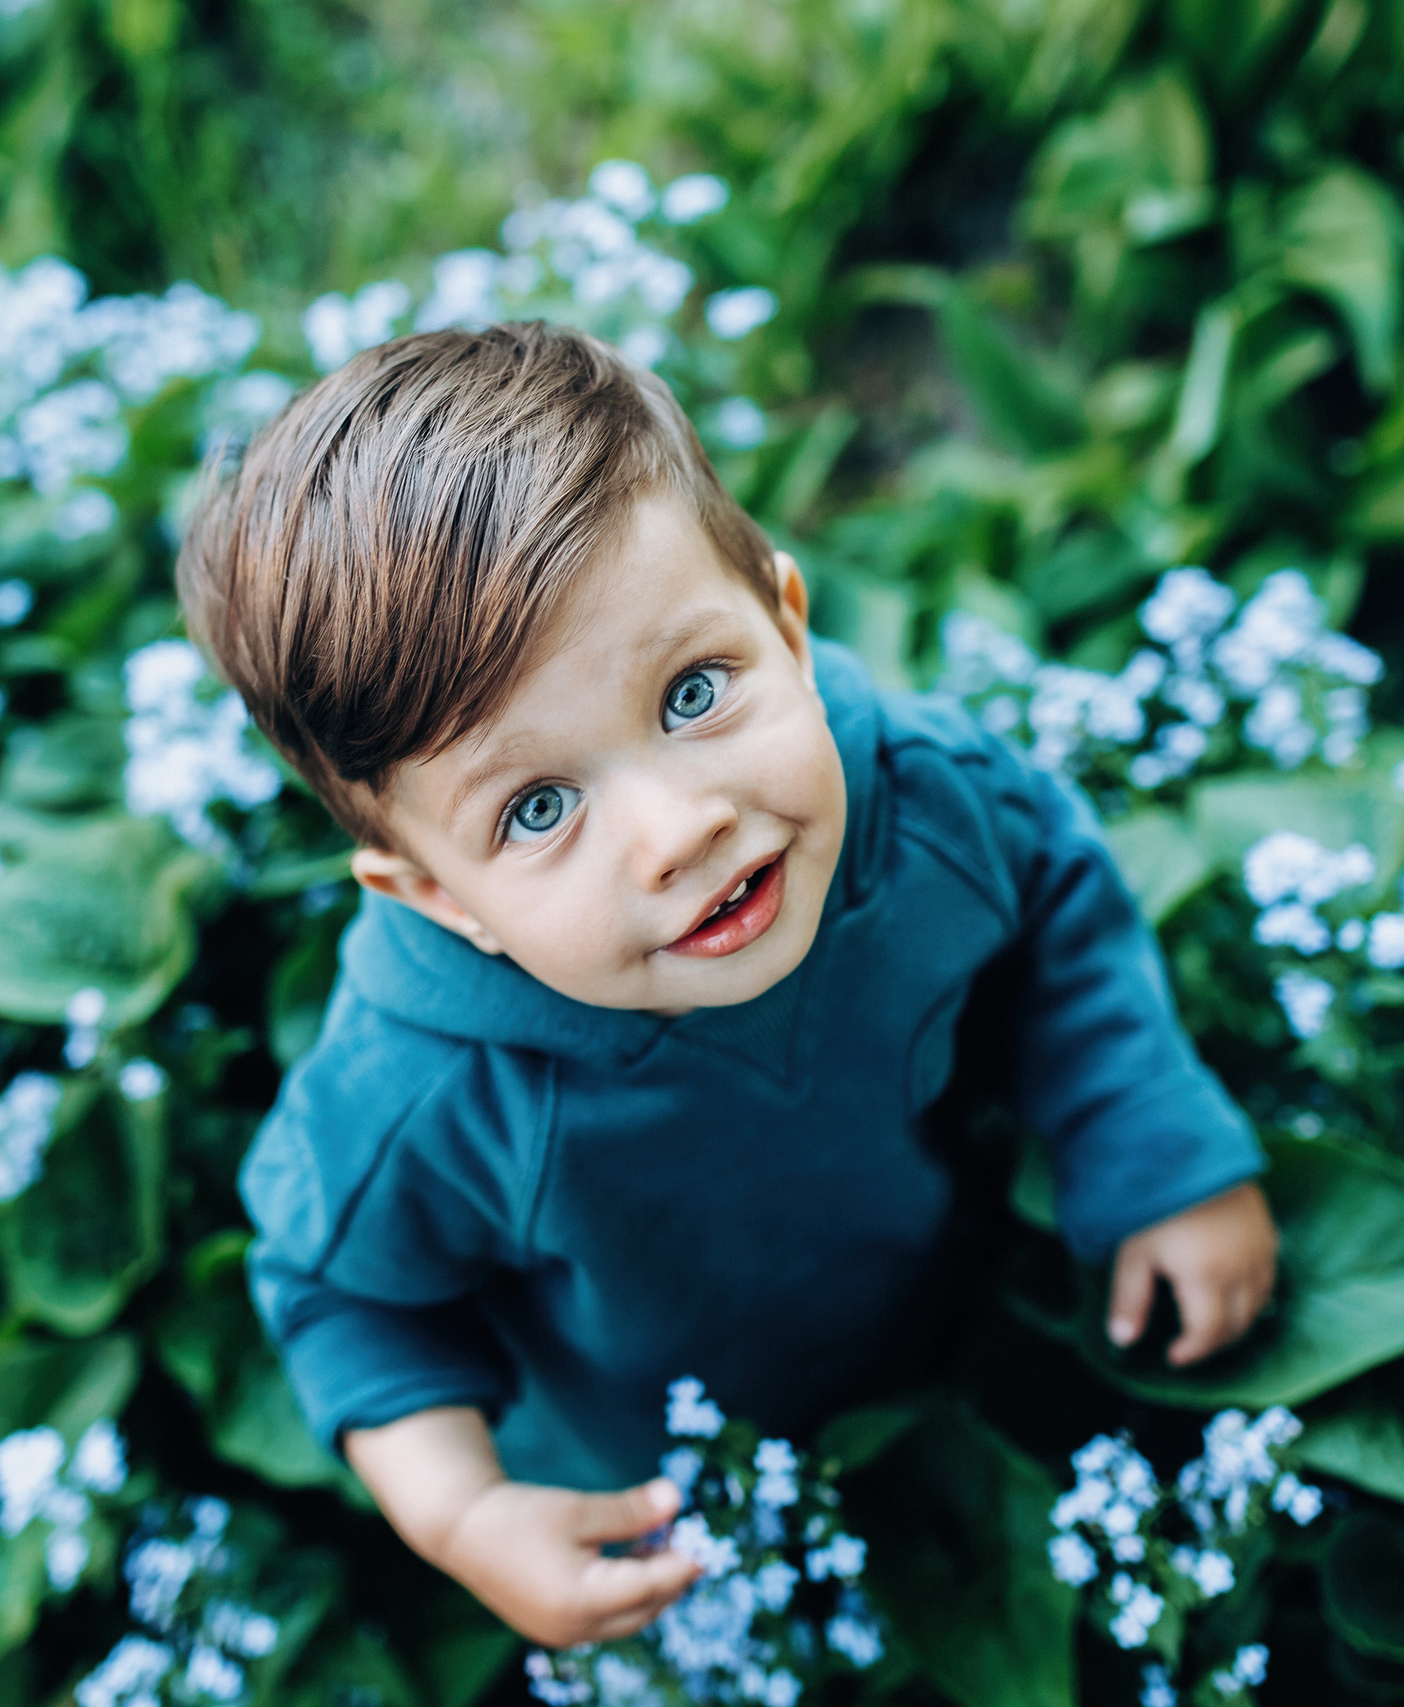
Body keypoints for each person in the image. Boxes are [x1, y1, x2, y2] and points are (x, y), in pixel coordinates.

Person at [177, 322, 1277, 1648]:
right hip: (671, 1493)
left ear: (791, 627)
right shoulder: (426, 1092)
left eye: (695, 690)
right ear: (440, 900)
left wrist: (1156, 1146)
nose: (677, 828)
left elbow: (1056, 905)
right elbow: (337, 1286)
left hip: (964, 1295)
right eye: (537, 810)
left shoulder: (924, 801)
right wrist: (465, 1515)